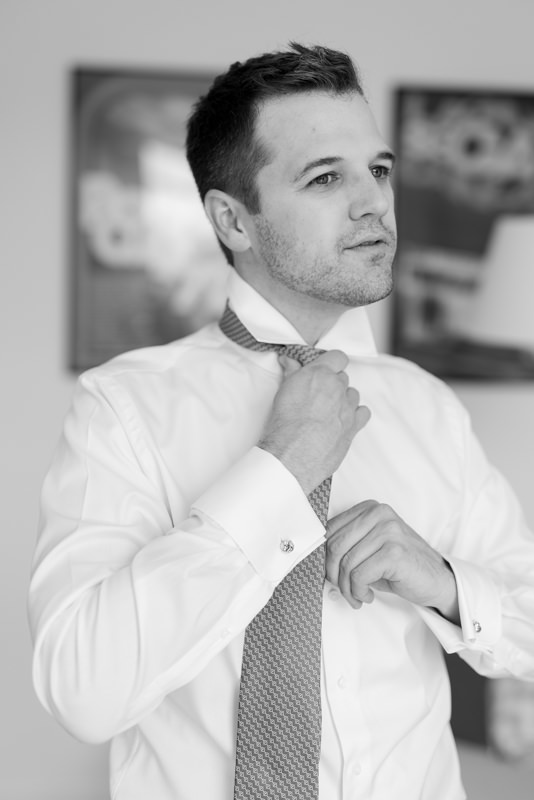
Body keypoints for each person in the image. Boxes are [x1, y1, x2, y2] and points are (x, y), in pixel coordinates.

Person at [29, 43, 534, 800]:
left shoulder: (428, 407)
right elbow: (81, 689)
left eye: (379, 170)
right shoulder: (124, 407)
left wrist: (445, 582)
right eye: (326, 177)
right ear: (233, 220)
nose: (373, 203)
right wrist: (278, 472)